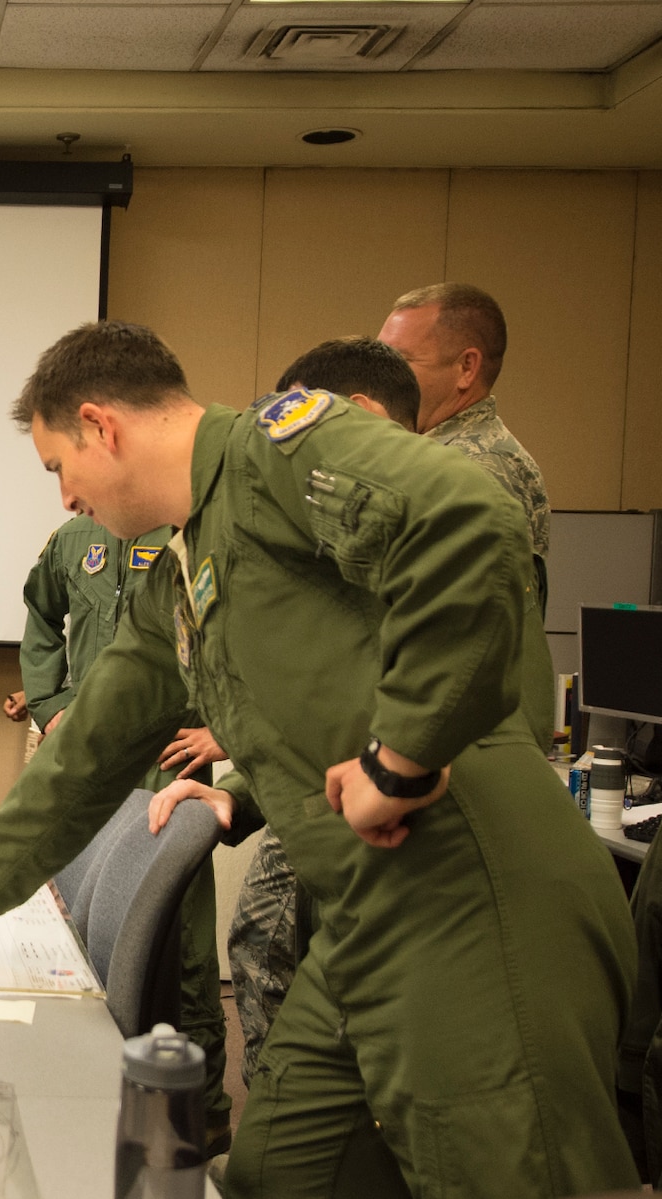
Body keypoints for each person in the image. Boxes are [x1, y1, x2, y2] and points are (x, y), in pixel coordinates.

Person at [0, 321, 639, 1199]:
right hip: (363, 925)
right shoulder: (185, 562)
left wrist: (402, 750)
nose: (63, 500)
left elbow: (464, 519)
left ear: (99, 425)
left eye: (59, 468)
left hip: (472, 896)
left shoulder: (280, 452)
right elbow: (100, 733)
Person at [183, 337, 421, 1085]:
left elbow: (461, 688)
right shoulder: (339, 532)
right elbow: (322, 714)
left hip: (418, 829)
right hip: (346, 806)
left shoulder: (425, 527)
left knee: (275, 947)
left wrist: (401, 761)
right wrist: (241, 794)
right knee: (278, 956)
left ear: (359, 417)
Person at [18, 509, 230, 1145]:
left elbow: (246, 641)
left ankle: (205, 1111)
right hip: (94, 752)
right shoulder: (70, 541)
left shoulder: (193, 534)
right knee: (83, 915)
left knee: (180, 936)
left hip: (171, 754)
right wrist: (51, 705)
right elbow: (39, 619)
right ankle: (95, 1087)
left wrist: (226, 728)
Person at [378, 283, 550, 572]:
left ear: (466, 368)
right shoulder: (434, 455)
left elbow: (465, 607)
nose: (381, 376)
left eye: (400, 360)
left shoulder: (479, 469)